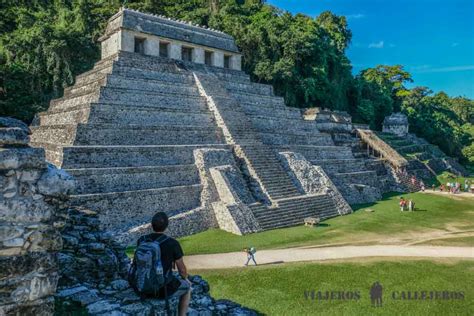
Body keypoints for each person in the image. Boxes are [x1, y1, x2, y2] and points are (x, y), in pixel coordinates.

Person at [136, 212, 191, 316]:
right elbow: (182, 271)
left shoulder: (141, 240)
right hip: (162, 289)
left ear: (152, 225)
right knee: (187, 288)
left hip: (142, 286)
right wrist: (186, 278)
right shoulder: (172, 243)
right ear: (166, 226)